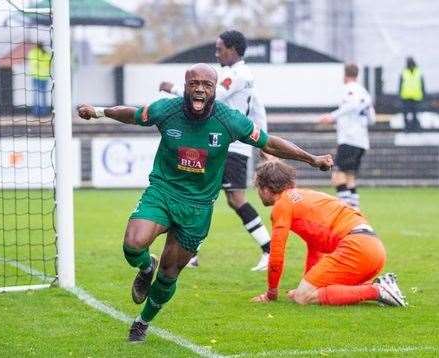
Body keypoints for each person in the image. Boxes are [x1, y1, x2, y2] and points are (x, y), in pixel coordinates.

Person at [77, 63, 333, 342]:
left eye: (207, 85)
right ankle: (144, 266)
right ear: (186, 86)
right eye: (194, 83)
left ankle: (142, 322)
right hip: (163, 192)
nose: (200, 88)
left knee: (169, 273)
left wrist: (312, 159)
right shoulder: (167, 109)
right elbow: (134, 115)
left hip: (198, 207)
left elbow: (269, 143)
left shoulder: (230, 120)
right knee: (132, 245)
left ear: (213, 90)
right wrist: (99, 111)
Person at [159, 30, 272, 271]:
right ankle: (191, 253)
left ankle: (269, 249)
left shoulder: (239, 75)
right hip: (218, 144)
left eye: (220, 48)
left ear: (232, 49)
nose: (216, 52)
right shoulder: (233, 74)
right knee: (202, 193)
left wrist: (174, 89)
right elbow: (258, 109)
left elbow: (215, 96)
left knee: (233, 198)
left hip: (231, 146)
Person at [250, 160, 407, 307]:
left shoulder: (282, 205)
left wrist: (271, 292)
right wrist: (307, 282)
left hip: (356, 248)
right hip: (373, 250)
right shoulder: (305, 195)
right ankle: (379, 286)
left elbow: (277, 254)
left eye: (258, 188)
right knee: (308, 291)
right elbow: (315, 246)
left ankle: (377, 290)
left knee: (302, 297)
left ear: (265, 189)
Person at [319, 64, 375, 210]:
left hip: (350, 139)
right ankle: (355, 213)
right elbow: (372, 118)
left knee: (337, 177)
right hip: (361, 141)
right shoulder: (364, 92)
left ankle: (347, 214)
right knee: (349, 179)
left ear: (345, 75)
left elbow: (351, 105)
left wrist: (332, 116)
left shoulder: (350, 90)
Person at [399, 57, 426, 131]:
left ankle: (416, 128)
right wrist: (400, 96)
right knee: (406, 114)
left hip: (416, 96)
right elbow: (400, 84)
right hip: (406, 96)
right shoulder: (404, 72)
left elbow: (422, 84)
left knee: (415, 114)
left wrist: (423, 95)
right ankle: (407, 128)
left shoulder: (418, 72)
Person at [27, 41, 51, 117]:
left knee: (36, 94)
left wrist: (39, 63)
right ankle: (44, 112)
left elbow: (33, 63)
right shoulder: (47, 53)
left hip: (36, 76)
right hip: (45, 76)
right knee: (43, 94)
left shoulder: (33, 52)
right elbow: (50, 63)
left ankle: (36, 112)